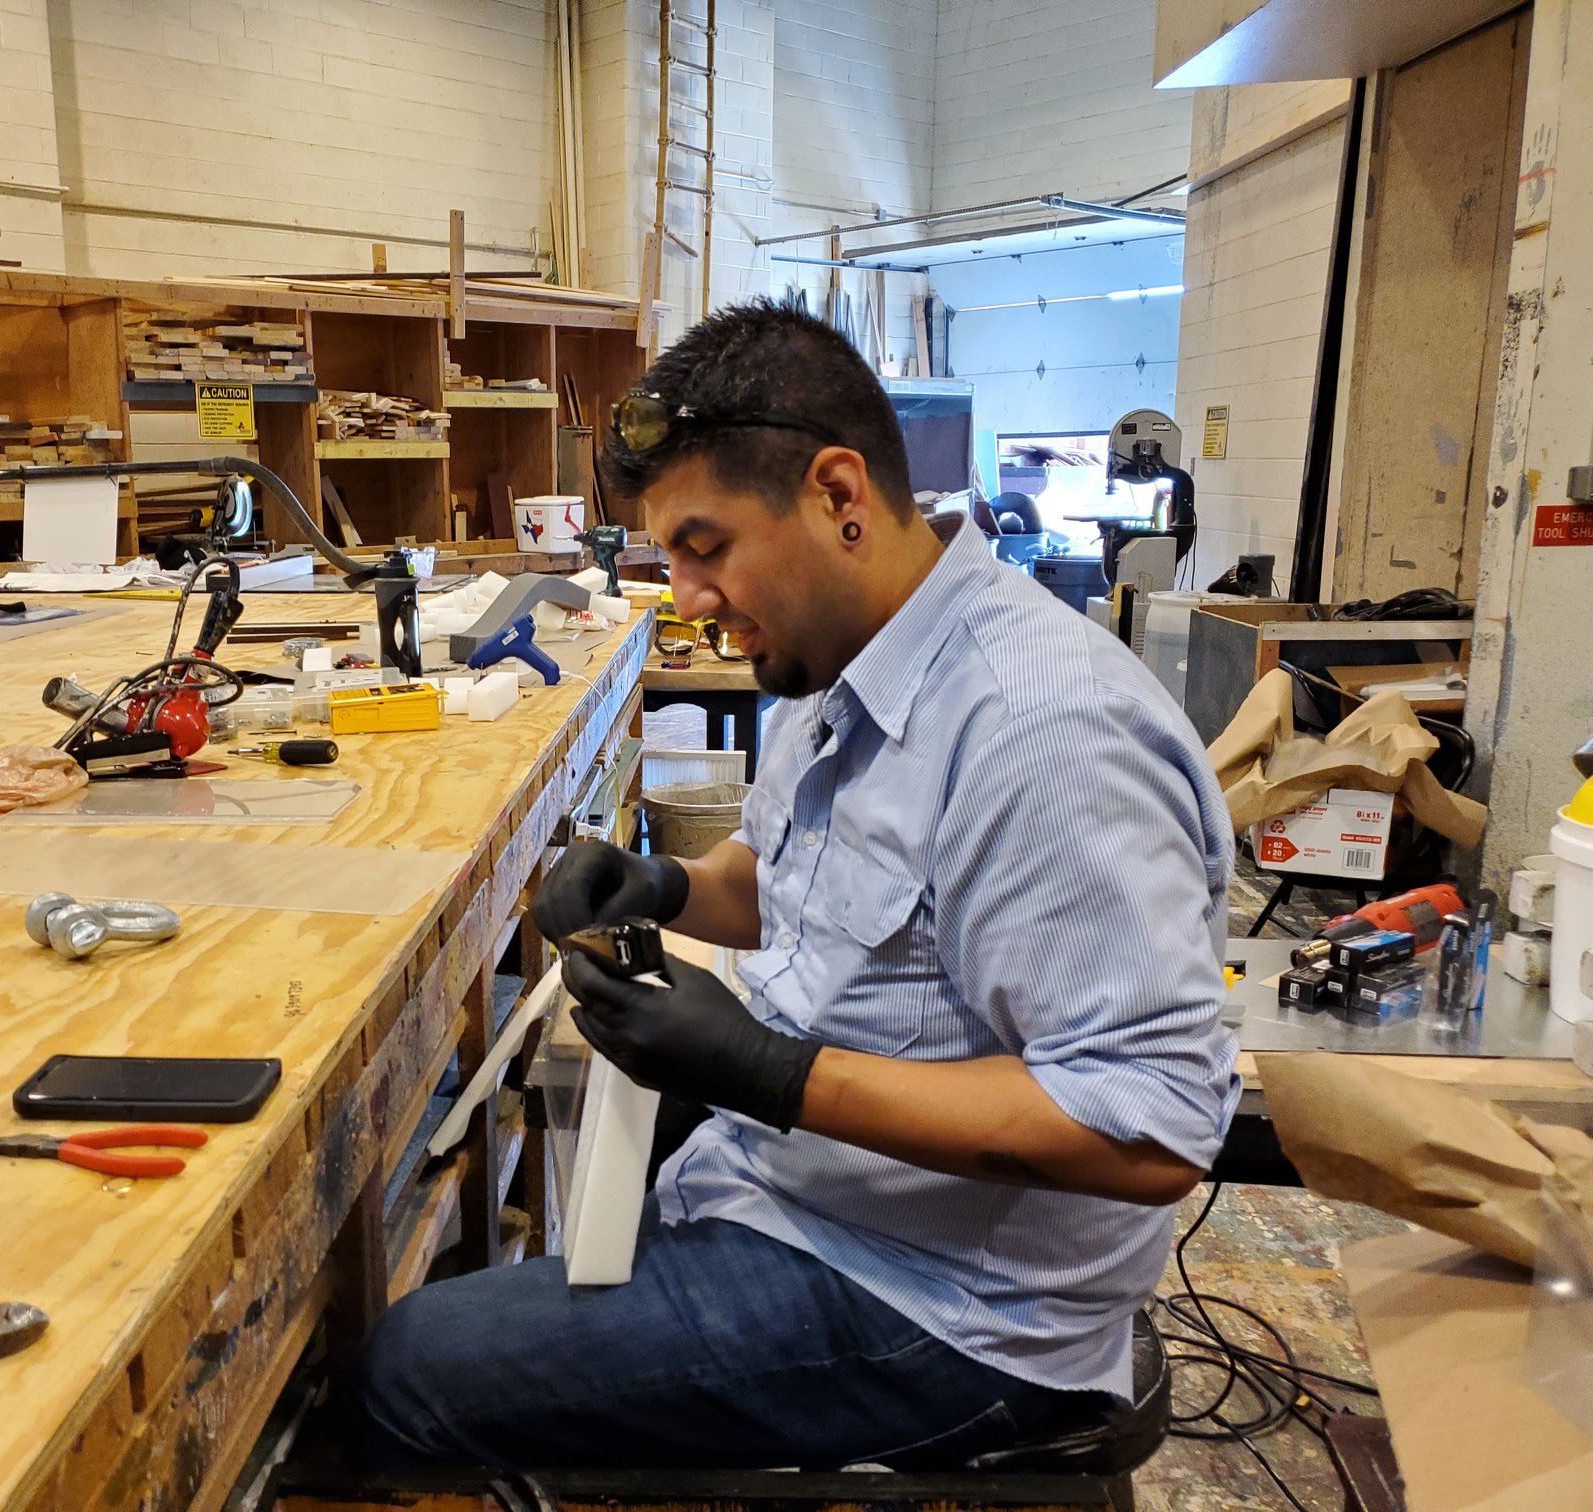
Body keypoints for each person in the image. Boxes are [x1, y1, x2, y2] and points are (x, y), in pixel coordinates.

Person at [349, 299, 1238, 1471]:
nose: (689, 596)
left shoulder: (1043, 730)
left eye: (707, 547)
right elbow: (797, 887)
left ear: (837, 495)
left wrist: (773, 1074)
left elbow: (1152, 1131)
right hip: (811, 1195)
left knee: (408, 1373)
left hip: (951, 1310)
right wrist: (664, 886)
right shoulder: (837, 661)